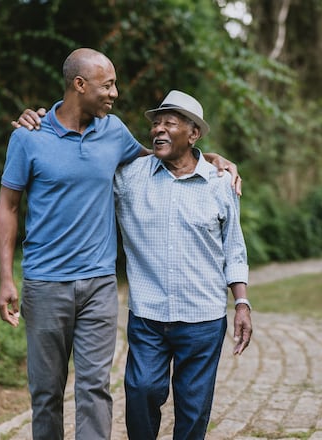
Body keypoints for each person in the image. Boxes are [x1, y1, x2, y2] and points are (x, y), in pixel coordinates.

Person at [0, 48, 239, 440]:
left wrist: (208, 156)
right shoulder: (28, 137)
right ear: (80, 84)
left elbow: (160, 158)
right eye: (107, 84)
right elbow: (8, 206)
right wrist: (7, 277)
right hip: (44, 283)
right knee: (46, 393)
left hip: (98, 284)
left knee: (94, 388)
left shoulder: (113, 131)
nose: (115, 93)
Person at [113, 90, 252, 440]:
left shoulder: (220, 184)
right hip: (148, 316)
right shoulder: (131, 177)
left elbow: (234, 248)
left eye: (169, 123)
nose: (158, 130)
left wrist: (241, 302)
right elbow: (83, 162)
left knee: (193, 410)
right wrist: (43, 121)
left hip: (203, 319)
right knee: (141, 391)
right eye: (156, 123)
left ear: (193, 134)